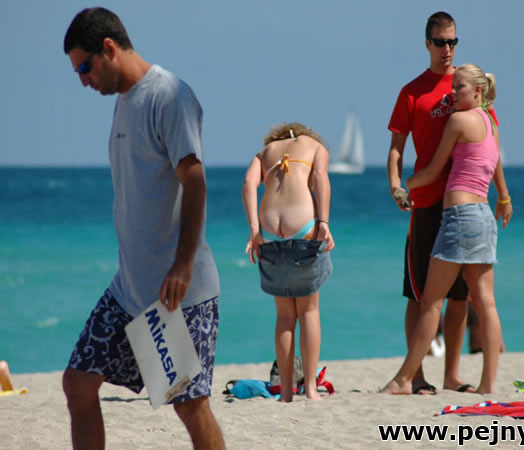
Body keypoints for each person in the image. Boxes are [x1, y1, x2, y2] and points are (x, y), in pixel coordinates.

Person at [62, 8, 224, 449]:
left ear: (109, 48)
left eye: (85, 67)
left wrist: (183, 265)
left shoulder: (168, 95)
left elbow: (195, 181)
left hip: (175, 292)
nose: (83, 81)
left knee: (189, 405)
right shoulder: (123, 102)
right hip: (128, 289)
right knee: (78, 384)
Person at [381, 11, 512, 395]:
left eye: (453, 41)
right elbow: (396, 148)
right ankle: (417, 375)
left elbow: (492, 149)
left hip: (464, 204)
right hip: (426, 201)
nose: (447, 49)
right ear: (428, 44)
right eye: (440, 42)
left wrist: (503, 194)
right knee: (419, 293)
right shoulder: (412, 92)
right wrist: (396, 185)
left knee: (459, 299)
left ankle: (452, 375)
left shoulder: (470, 88)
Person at [242, 123, 334, 402]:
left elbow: (248, 184)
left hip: (270, 232)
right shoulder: (315, 147)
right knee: (309, 310)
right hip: (302, 227)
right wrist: (324, 222)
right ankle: (310, 389)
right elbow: (320, 178)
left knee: (284, 316)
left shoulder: (264, 153)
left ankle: (285, 392)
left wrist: (254, 230)